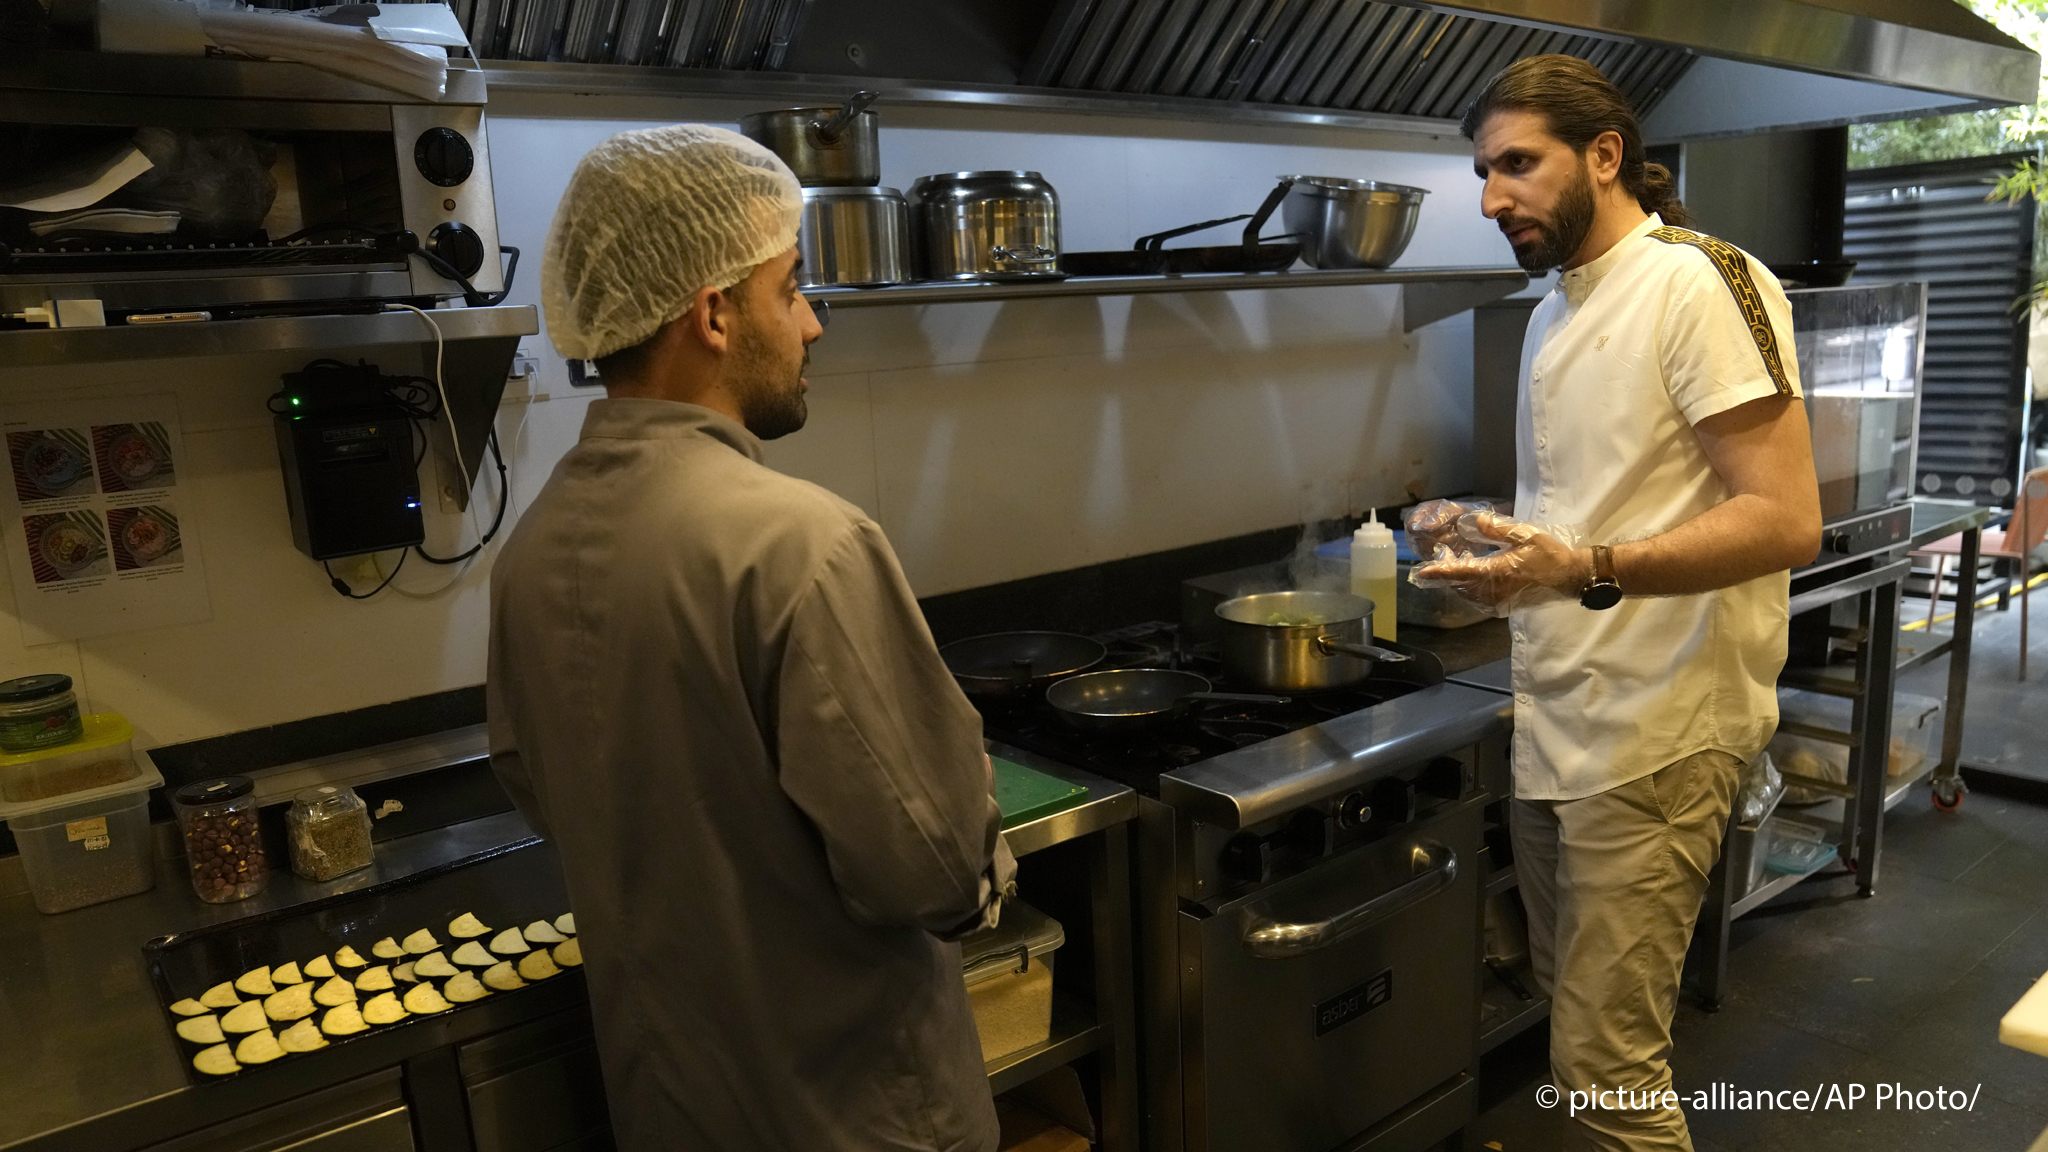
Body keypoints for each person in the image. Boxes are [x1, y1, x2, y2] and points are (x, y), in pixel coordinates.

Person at [487, 124, 1015, 1152]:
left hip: (675, 1111)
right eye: (791, 289)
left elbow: (541, 794)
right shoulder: (800, 544)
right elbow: (932, 868)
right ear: (715, 313)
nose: (811, 324)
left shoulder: (534, 550)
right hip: (854, 1117)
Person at [1417, 56, 1822, 1152]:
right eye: (1481, 171)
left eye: (1515, 163)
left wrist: (1581, 563)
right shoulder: (1556, 306)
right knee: (1577, 1021)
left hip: (1660, 723)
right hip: (1562, 709)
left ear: (1604, 156)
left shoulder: (1698, 279)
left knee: (1606, 1076)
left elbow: (1783, 519)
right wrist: (1486, 530)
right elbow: (1594, 503)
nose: (1491, 196)